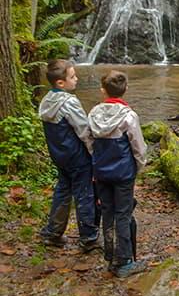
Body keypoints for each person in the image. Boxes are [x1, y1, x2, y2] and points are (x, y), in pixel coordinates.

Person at [87, 70, 147, 278]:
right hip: (123, 173)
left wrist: (96, 160)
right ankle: (124, 261)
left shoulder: (93, 114)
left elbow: (88, 140)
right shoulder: (129, 116)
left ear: (103, 90)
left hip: (101, 172)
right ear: (126, 89)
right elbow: (138, 146)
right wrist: (139, 166)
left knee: (107, 211)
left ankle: (110, 255)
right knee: (123, 214)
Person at [38, 59, 100, 252]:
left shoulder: (46, 101)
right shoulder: (69, 102)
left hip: (59, 155)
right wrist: (94, 153)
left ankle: (53, 232)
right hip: (77, 156)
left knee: (63, 191)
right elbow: (83, 130)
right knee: (84, 194)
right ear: (60, 83)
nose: (76, 79)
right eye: (72, 76)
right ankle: (88, 237)